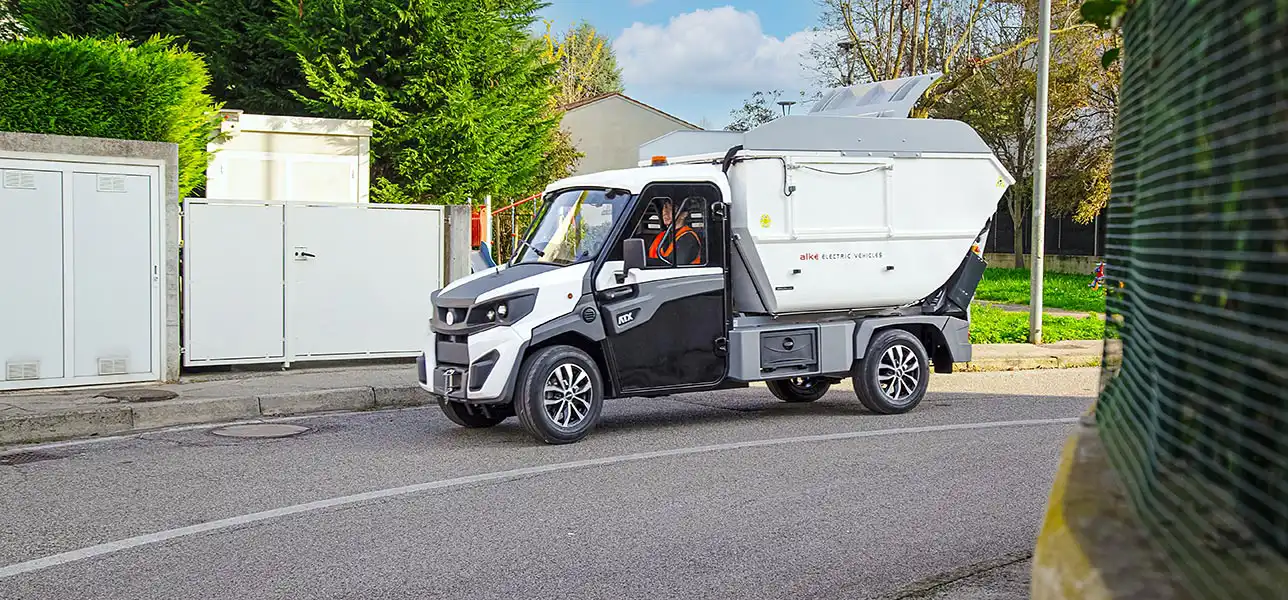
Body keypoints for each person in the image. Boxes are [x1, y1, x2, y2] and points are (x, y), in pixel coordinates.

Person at [647, 198, 703, 266]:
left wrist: (643, 262)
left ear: (684, 214)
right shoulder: (661, 236)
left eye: (671, 209)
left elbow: (671, 266)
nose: (665, 212)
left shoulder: (688, 238)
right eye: (665, 207)